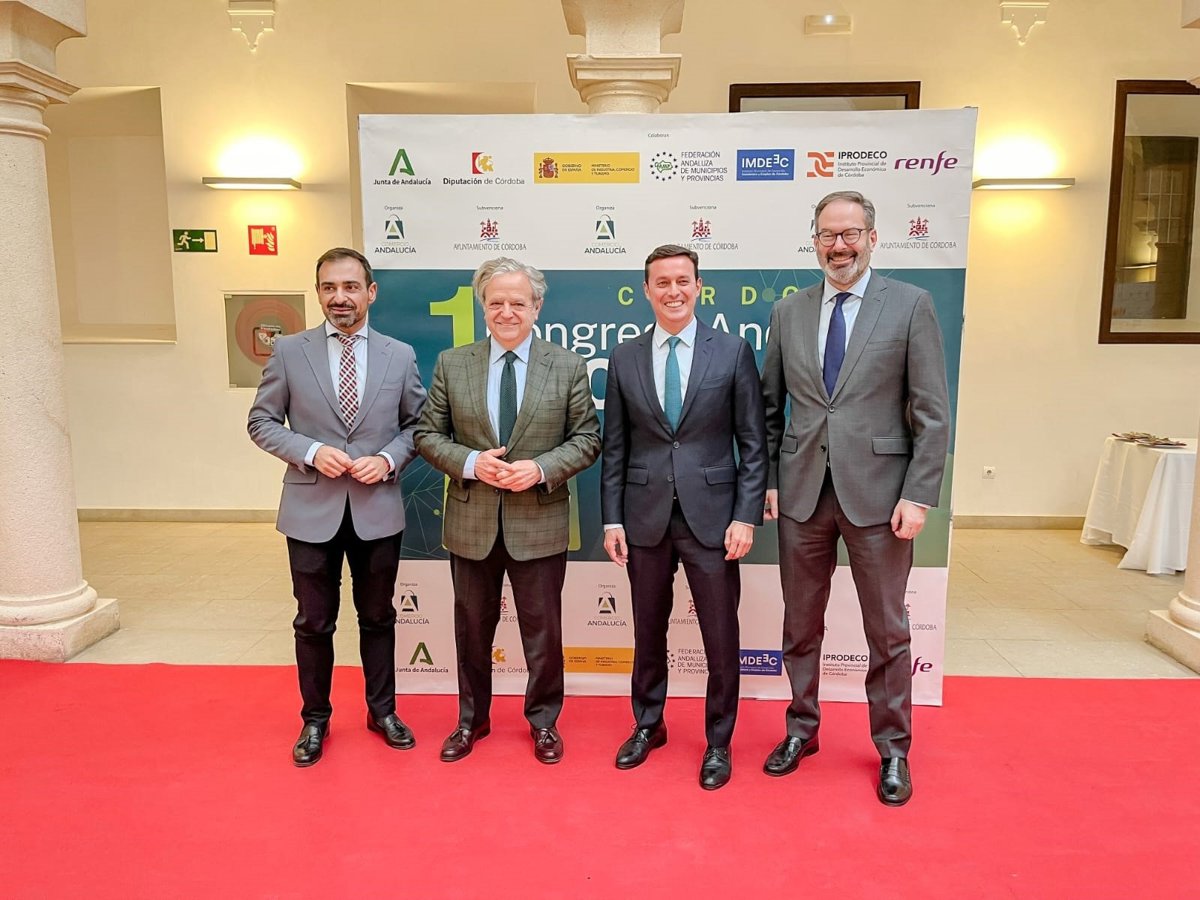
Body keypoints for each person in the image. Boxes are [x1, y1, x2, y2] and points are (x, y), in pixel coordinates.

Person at [761, 190, 950, 805]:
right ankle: (801, 729)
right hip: (802, 495)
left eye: (849, 234)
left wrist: (919, 494)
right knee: (799, 623)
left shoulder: (911, 305)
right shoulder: (789, 310)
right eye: (827, 235)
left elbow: (931, 412)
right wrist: (769, 480)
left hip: (881, 497)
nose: (838, 246)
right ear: (814, 240)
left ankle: (893, 749)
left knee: (888, 631)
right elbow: (769, 408)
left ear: (871, 237)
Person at [414, 258, 601, 765]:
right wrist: (471, 462)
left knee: (543, 634)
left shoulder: (567, 365)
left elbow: (587, 439)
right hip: (471, 523)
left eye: (518, 302)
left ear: (537, 306)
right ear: (483, 306)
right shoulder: (453, 364)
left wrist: (539, 469)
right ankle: (470, 721)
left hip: (538, 522)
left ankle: (544, 722)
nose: (507, 312)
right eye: (496, 302)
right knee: (472, 632)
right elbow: (427, 434)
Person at [248, 247, 427, 767]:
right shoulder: (289, 351)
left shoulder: (400, 355)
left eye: (350, 287)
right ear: (319, 293)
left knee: (378, 617)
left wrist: (388, 460)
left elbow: (418, 427)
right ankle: (315, 719)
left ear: (371, 292)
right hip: (310, 511)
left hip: (377, 509)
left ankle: (382, 711)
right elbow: (261, 422)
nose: (339, 297)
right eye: (329, 287)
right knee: (313, 622)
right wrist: (309, 451)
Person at [601, 244, 766, 791]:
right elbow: (615, 447)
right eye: (662, 282)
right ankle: (648, 725)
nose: (673, 291)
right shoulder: (624, 357)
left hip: (715, 520)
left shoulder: (733, 351)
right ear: (646, 291)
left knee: (720, 634)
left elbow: (753, 443)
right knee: (648, 630)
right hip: (643, 517)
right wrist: (611, 520)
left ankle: (719, 741)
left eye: (682, 281)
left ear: (698, 287)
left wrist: (745, 516)